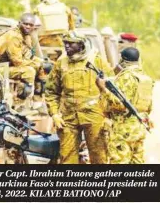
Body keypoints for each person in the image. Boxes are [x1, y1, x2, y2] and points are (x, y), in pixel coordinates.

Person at [45, 30, 113, 164]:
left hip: (94, 114)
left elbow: (111, 88)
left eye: (71, 44)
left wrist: (109, 115)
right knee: (67, 155)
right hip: (68, 116)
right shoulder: (61, 63)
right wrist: (54, 114)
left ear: (81, 45)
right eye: (65, 43)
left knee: (99, 155)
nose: (67, 46)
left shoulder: (96, 60)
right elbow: (51, 91)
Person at [97, 47, 154, 164]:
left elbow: (119, 103)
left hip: (124, 127)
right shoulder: (144, 77)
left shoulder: (126, 76)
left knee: (119, 160)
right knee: (137, 161)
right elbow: (148, 104)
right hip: (139, 125)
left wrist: (103, 88)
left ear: (123, 59)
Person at [0, 13, 41, 106]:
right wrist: (34, 64)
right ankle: (19, 103)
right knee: (29, 72)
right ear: (19, 23)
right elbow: (17, 61)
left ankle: (37, 100)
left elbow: (27, 55)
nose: (28, 27)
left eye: (30, 25)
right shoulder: (14, 36)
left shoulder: (25, 35)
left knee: (43, 65)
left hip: (7, 66)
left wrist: (39, 63)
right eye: (25, 24)